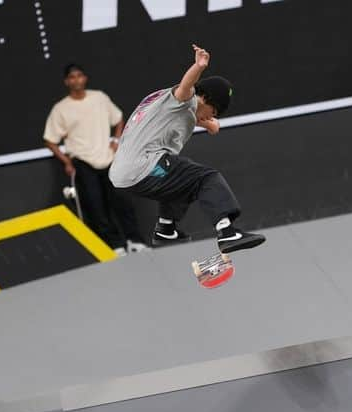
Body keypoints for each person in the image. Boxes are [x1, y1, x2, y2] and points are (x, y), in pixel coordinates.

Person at [109, 45, 265, 255]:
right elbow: (186, 87)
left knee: (179, 179)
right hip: (144, 166)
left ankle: (165, 227)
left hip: (123, 174)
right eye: (214, 112)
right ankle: (226, 232)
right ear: (206, 98)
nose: (211, 117)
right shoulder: (185, 97)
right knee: (205, 178)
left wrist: (209, 124)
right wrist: (198, 66)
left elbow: (196, 117)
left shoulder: (163, 103)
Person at [44, 63, 147, 254]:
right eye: (72, 77)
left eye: (79, 75)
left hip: (108, 159)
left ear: (85, 78)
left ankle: (135, 241)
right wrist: (67, 162)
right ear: (67, 82)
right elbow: (50, 140)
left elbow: (118, 119)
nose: (76, 80)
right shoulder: (61, 109)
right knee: (96, 207)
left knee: (122, 201)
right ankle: (116, 246)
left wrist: (116, 140)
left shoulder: (99, 98)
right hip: (83, 163)